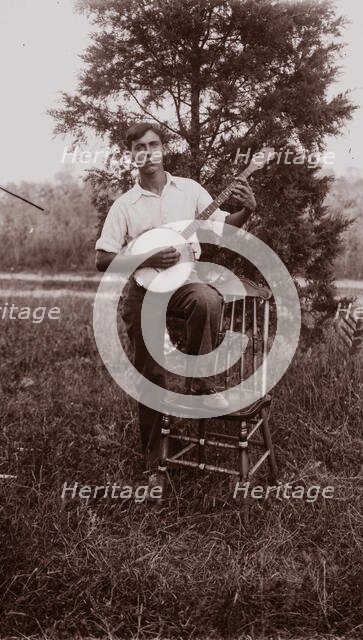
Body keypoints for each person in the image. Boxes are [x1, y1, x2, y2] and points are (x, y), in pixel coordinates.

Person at [95, 122, 256, 467]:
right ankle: (154, 457)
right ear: (132, 155)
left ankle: (200, 382)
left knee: (209, 299)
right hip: (143, 291)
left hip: (184, 285)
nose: (148, 152)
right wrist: (148, 257)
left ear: (163, 149)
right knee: (151, 373)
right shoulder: (126, 205)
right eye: (140, 147)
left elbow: (224, 229)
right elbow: (102, 258)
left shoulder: (189, 191)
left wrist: (248, 210)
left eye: (154, 144)